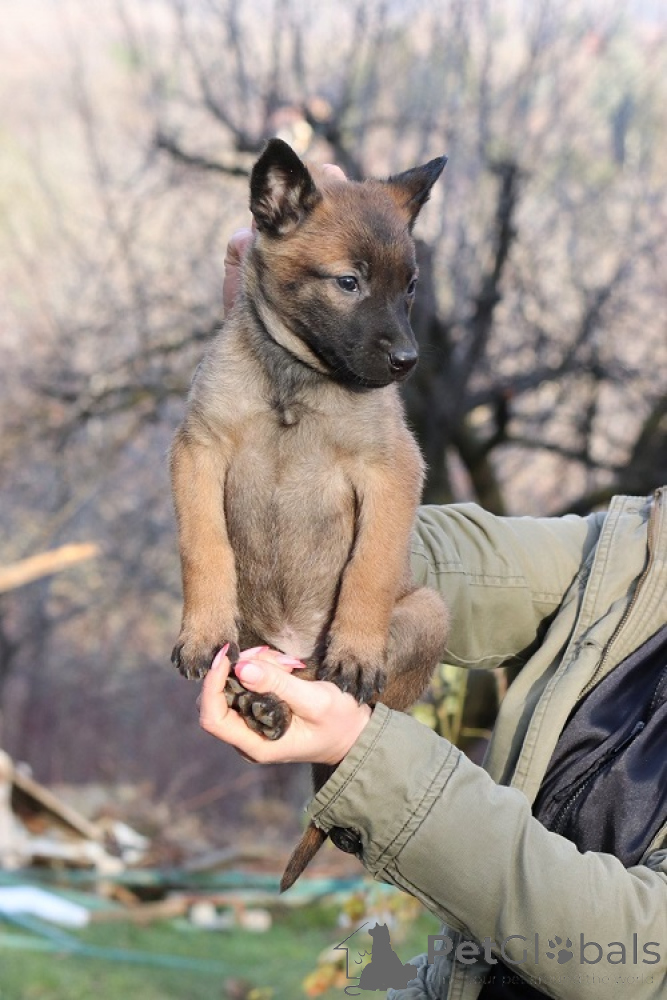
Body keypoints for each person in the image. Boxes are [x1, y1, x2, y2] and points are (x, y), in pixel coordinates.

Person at [197, 199, 667, 999]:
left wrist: (366, 753)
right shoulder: (642, 554)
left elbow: (627, 956)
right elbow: (449, 563)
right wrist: (290, 364)